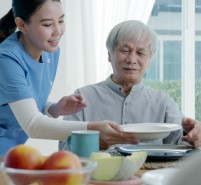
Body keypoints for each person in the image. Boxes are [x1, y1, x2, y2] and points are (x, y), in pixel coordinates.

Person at [0, 0, 138, 157]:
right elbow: (32, 124)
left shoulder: (50, 53)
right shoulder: (7, 59)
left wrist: (53, 108)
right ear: (22, 25)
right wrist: (92, 129)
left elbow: (20, 101)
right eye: (47, 25)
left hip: (8, 152)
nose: (57, 31)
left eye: (60, 21)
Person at [59, 20, 201, 151]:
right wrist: (93, 143)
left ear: (149, 60)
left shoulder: (163, 102)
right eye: (125, 50)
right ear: (109, 54)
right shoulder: (83, 98)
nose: (132, 59)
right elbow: (65, 151)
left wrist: (195, 136)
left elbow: (182, 146)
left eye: (141, 53)